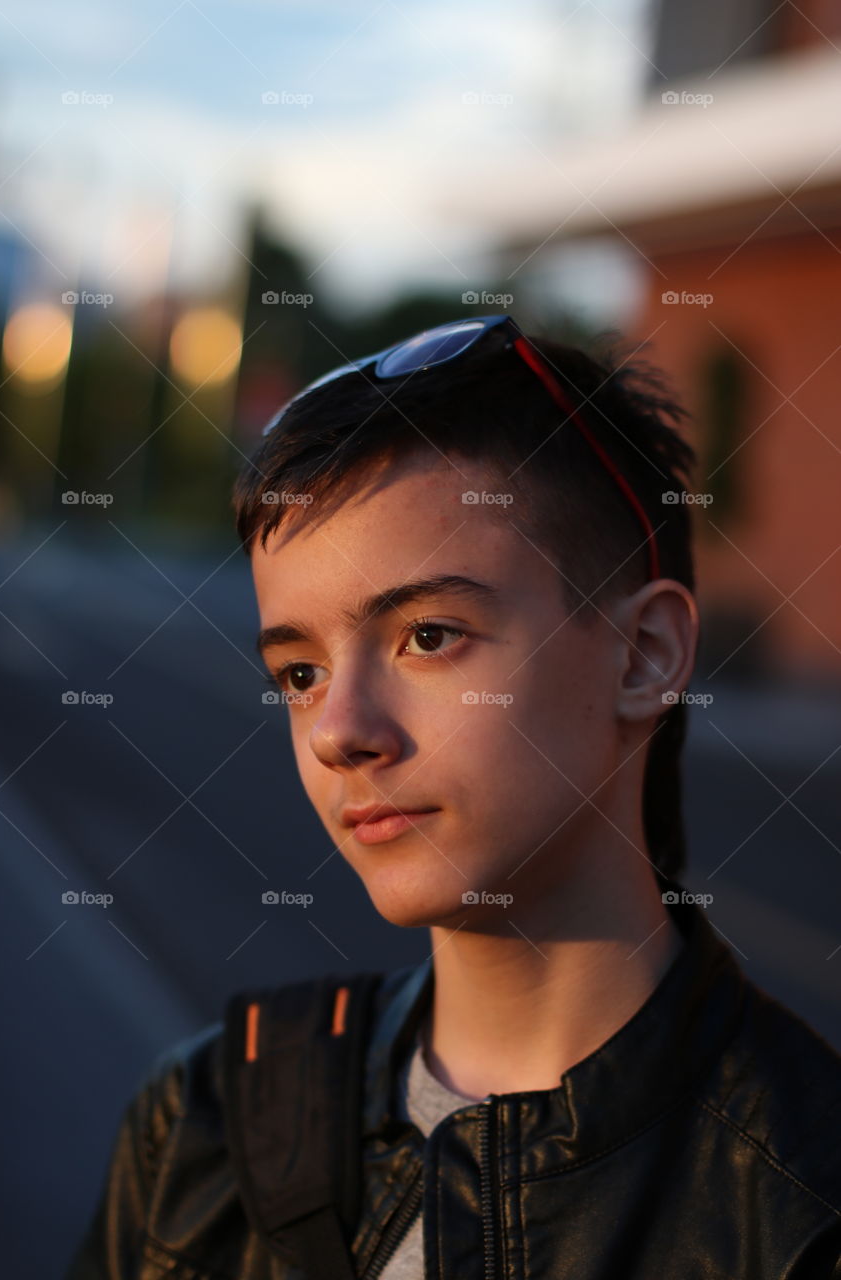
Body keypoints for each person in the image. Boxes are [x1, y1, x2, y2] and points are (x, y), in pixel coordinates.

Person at [65, 316, 841, 1279]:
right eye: (298, 673)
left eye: (428, 636)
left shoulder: (804, 1208)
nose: (338, 729)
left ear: (643, 657)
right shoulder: (198, 1131)